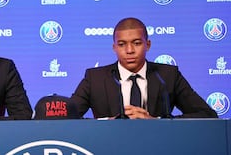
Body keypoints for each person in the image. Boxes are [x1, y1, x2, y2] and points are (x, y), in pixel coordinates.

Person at [71, 17, 218, 119]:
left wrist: (158, 121)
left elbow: (206, 114)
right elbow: (67, 117)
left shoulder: (167, 76)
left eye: (136, 43)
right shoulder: (95, 78)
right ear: (114, 47)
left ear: (148, 44)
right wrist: (107, 123)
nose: (129, 50)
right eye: (122, 44)